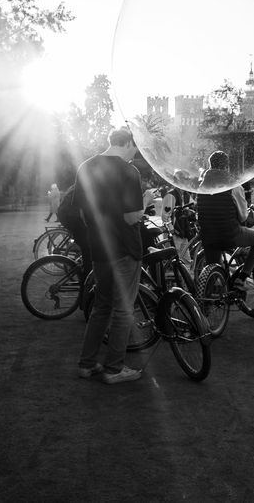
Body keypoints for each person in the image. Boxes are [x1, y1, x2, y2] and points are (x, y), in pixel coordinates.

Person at [74, 127, 146, 385]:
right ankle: (114, 369)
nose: (135, 152)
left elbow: (83, 214)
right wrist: (147, 202)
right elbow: (131, 217)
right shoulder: (129, 171)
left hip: (99, 249)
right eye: (135, 147)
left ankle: (87, 364)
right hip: (125, 249)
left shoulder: (85, 167)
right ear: (128, 143)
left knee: (101, 307)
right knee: (123, 310)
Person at [196, 151, 254, 289]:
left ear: (210, 165)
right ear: (226, 166)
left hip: (208, 237)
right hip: (229, 234)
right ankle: (242, 277)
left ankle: (207, 296)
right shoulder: (233, 186)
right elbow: (243, 216)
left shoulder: (201, 187)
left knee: (212, 272)